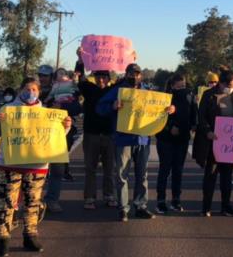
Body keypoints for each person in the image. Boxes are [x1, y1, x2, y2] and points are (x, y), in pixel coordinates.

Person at [0, 77, 71, 256]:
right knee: (6, 203)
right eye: (27, 88)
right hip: (10, 164)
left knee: (32, 203)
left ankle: (30, 235)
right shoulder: (8, 110)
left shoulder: (47, 113)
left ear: (39, 92)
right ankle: (3, 238)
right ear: (20, 90)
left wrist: (65, 127)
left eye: (34, 89)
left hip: (37, 165)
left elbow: (55, 137)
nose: (30, 92)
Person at [97, 63, 174, 222]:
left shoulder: (148, 93)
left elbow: (159, 109)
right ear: (126, 74)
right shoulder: (118, 91)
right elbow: (100, 107)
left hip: (142, 139)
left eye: (137, 73)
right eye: (131, 73)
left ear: (141, 75)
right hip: (122, 138)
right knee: (121, 175)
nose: (134, 76)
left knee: (142, 174)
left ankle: (140, 206)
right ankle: (123, 208)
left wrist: (170, 109)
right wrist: (112, 106)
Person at [192, 69, 233, 217]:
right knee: (211, 175)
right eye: (229, 85)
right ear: (220, 83)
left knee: (227, 176)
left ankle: (226, 206)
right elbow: (201, 117)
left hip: (230, 142)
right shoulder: (209, 95)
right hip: (213, 140)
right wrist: (208, 131)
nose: (231, 88)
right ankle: (206, 207)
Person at [156, 73, 196, 213]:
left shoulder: (190, 96)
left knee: (178, 170)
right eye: (178, 87)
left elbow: (194, 114)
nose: (182, 89)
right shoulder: (164, 98)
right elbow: (157, 117)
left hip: (182, 139)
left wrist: (193, 126)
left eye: (183, 86)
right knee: (165, 170)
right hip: (165, 139)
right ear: (172, 86)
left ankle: (176, 200)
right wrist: (169, 126)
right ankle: (161, 201)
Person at [77, 66, 116, 210]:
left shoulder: (114, 91)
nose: (101, 79)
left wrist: (131, 59)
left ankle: (109, 195)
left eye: (104, 77)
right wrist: (80, 61)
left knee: (109, 168)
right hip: (91, 135)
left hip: (109, 135)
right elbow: (80, 79)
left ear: (109, 79)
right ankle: (89, 197)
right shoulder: (89, 89)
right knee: (90, 168)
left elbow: (128, 82)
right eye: (98, 77)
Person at [43, 69, 82, 213]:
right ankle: (33, 202)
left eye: (64, 79)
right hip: (39, 137)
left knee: (57, 170)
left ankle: (51, 200)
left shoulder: (71, 93)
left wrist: (62, 107)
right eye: (41, 76)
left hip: (62, 135)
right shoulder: (40, 92)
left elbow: (77, 108)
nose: (61, 82)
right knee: (36, 171)